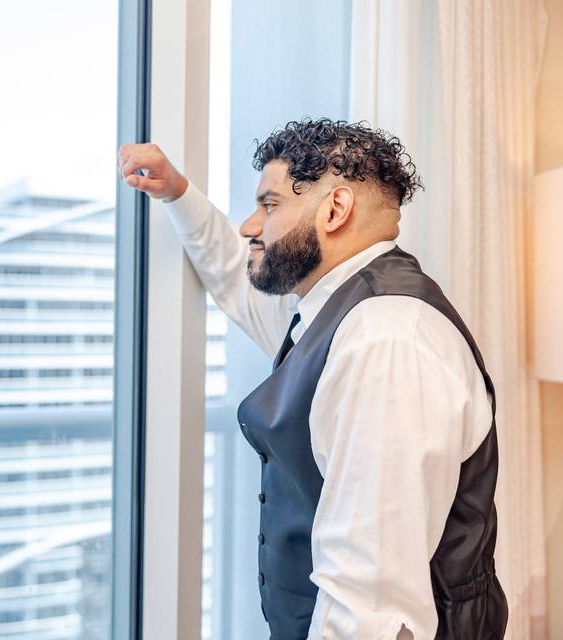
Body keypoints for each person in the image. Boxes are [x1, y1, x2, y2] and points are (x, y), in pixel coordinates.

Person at [117, 118, 508, 640]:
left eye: (270, 205)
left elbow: (370, 605)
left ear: (334, 209)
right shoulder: (335, 311)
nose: (250, 226)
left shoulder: (385, 339)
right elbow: (238, 278)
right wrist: (178, 195)